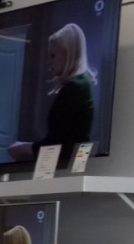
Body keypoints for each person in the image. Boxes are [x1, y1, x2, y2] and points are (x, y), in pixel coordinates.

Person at [8, 23, 97, 163]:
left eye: (53, 56)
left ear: (68, 54)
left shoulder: (76, 87)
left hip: (68, 166)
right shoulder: (79, 85)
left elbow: (58, 143)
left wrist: (24, 148)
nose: (49, 62)